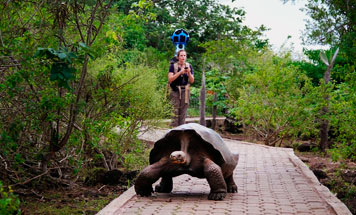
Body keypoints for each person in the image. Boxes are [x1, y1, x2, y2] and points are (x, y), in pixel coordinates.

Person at [168, 50, 194, 127]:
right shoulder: (173, 66)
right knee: (175, 110)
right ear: (178, 57)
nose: (183, 57)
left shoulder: (189, 66)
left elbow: (192, 80)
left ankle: (182, 129)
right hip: (175, 90)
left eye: (184, 56)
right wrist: (180, 72)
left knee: (183, 111)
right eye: (181, 55)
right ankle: (174, 129)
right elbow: (170, 79)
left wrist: (188, 72)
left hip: (185, 91)